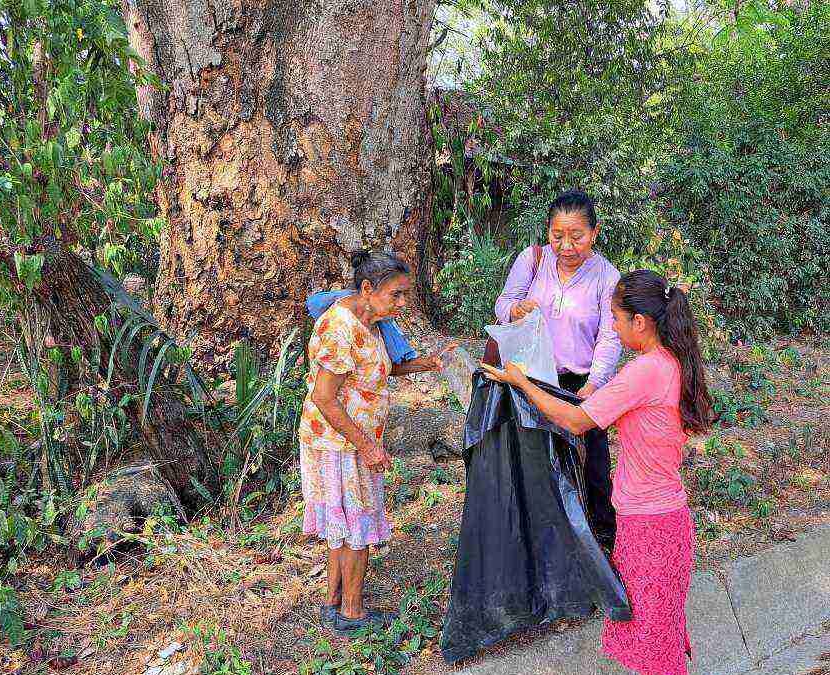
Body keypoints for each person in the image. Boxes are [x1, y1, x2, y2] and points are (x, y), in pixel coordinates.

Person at [481, 270, 713, 675]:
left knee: (653, 646)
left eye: (616, 319)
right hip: (666, 519)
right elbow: (594, 402)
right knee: (660, 635)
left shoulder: (644, 372)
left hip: (649, 527)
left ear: (639, 322)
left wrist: (521, 382)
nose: (613, 327)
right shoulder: (669, 363)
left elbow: (575, 421)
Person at [299, 249, 454, 634]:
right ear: (367, 288)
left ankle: (333, 602)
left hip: (350, 440)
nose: (402, 304)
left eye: (406, 295)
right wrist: (367, 446)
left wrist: (428, 362)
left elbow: (380, 366)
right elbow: (324, 397)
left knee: (346, 527)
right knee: (357, 529)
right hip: (339, 444)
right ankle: (352, 613)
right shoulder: (339, 327)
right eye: (395, 295)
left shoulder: (372, 322)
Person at [492, 189, 620, 547]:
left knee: (592, 462)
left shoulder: (606, 277)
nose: (566, 246)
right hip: (533, 377)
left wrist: (594, 385)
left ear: (594, 233)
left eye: (577, 236)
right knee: (538, 459)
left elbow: (610, 337)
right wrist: (513, 310)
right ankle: (541, 538)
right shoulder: (532, 260)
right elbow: (503, 303)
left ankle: (601, 539)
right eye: (557, 235)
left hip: (581, 383)